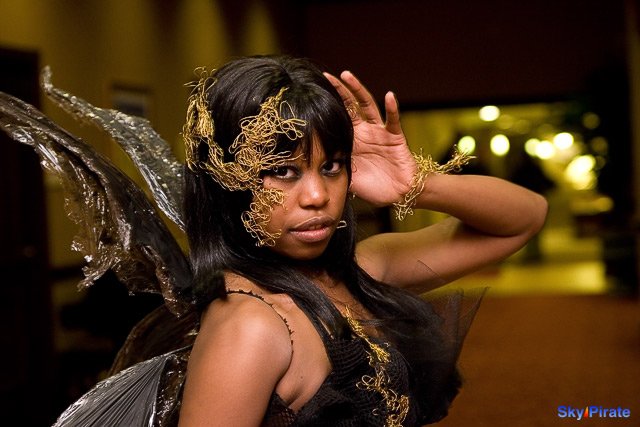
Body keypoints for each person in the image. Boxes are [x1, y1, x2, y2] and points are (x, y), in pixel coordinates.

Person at [177, 54, 548, 426]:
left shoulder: (361, 270)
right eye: (284, 171)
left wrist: (415, 184)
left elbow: (526, 217)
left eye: (331, 166)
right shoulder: (249, 326)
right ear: (224, 181)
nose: (317, 196)